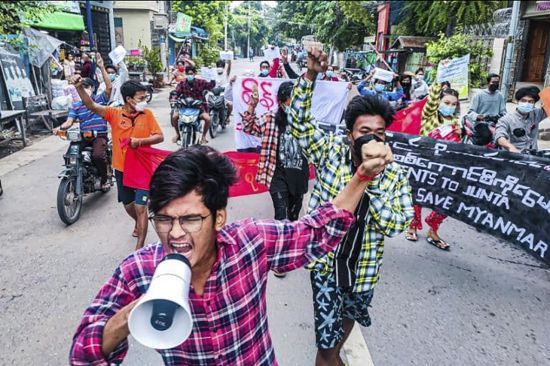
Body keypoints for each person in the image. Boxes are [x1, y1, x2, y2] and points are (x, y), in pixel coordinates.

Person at [69, 144, 384, 365]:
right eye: (163, 219)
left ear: (218, 216)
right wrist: (140, 309)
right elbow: (83, 352)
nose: (175, 233)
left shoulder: (250, 243)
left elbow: (317, 231)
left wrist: (362, 177)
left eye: (191, 219)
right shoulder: (138, 270)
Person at [289, 48, 414, 366]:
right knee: (327, 350)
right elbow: (299, 124)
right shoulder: (330, 152)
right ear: (349, 136)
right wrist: (311, 75)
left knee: (336, 344)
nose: (373, 138)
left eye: (380, 133)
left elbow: (397, 224)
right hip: (327, 268)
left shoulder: (394, 174)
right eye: (364, 133)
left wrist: (370, 183)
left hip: (363, 274)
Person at [72, 75, 164, 250]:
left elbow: (160, 136)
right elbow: (91, 105)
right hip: (122, 169)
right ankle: (139, 222)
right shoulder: (114, 114)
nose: (144, 101)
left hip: (143, 168)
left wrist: (141, 142)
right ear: (129, 99)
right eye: (141, 98)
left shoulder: (147, 114)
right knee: (129, 205)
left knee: (141, 206)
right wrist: (79, 88)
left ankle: (139, 249)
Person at [242, 81, 310, 278]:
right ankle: (280, 259)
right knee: (281, 214)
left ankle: (293, 248)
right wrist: (252, 105)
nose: (295, 102)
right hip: (276, 173)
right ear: (282, 101)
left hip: (298, 174)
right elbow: (249, 127)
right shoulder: (271, 117)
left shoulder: (305, 120)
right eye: (291, 98)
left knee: (294, 215)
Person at [406, 81, 461, 250]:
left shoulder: (457, 123)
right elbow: (432, 97)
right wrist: (441, 76)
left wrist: (461, 133)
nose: (450, 106)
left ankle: (433, 230)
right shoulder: (429, 117)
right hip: (424, 165)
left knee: (446, 200)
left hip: (445, 169)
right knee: (418, 197)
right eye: (446, 103)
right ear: (438, 102)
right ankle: (412, 226)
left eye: (453, 104)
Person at [54, 53, 112, 190]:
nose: (85, 89)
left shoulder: (99, 100)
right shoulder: (76, 106)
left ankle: (104, 179)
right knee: (69, 155)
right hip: (83, 136)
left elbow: (109, 88)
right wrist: (60, 128)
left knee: (98, 156)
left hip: (99, 135)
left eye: (87, 87)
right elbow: (69, 122)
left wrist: (102, 67)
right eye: (82, 87)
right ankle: (76, 176)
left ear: (92, 89)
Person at [496, 86, 548, 153]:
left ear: (534, 104)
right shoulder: (506, 119)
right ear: (517, 101)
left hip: (533, 155)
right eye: (523, 101)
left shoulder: (537, 114)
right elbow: (499, 136)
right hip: (515, 156)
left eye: (530, 101)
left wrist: (546, 100)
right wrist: (510, 147)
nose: (527, 103)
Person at [172, 66, 215, 144]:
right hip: (184, 108)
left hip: (199, 107)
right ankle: (177, 134)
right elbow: (176, 92)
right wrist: (174, 98)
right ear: (185, 74)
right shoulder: (182, 83)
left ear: (194, 74)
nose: (189, 75)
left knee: (208, 119)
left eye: (191, 74)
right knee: (174, 117)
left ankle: (204, 137)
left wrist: (212, 77)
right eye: (188, 74)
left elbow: (210, 86)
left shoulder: (201, 82)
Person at [214, 59, 236, 125]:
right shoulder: (213, 72)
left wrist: (229, 62)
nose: (219, 67)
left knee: (230, 105)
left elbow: (229, 68)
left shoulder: (225, 72)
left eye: (221, 66)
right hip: (214, 92)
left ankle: (227, 117)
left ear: (223, 67)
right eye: (218, 66)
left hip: (223, 93)